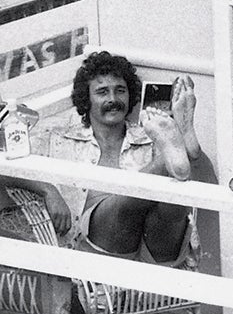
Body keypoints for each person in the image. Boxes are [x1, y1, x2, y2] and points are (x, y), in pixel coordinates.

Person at [49, 51, 216, 270]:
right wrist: (47, 190)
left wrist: (192, 150)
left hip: (155, 255)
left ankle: (187, 139)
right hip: (93, 253)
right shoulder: (59, 139)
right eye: (102, 92)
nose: (113, 99)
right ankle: (168, 161)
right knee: (129, 199)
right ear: (86, 99)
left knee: (173, 206)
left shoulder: (151, 135)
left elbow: (210, 186)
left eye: (120, 91)